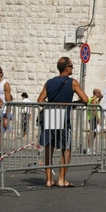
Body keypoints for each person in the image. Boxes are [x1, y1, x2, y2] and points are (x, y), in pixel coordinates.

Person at [37, 57, 88, 187]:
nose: (72, 68)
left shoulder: (49, 83)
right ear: (66, 68)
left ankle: (49, 180)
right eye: (71, 66)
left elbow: (40, 101)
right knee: (66, 149)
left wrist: (52, 105)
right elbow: (85, 99)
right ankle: (61, 179)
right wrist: (71, 103)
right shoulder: (72, 82)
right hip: (64, 119)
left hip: (50, 117)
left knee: (49, 148)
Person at [87, 88, 103, 154]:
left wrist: (100, 99)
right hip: (93, 118)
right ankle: (89, 149)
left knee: (93, 133)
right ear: (96, 93)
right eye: (99, 93)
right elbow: (94, 110)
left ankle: (90, 148)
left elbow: (97, 104)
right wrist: (98, 119)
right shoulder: (93, 100)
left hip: (93, 118)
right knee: (92, 133)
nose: (100, 94)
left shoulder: (93, 100)